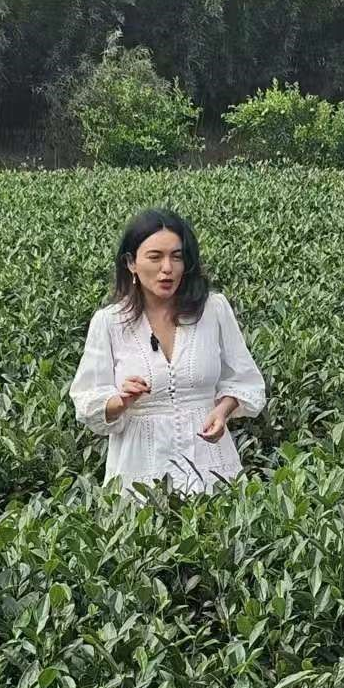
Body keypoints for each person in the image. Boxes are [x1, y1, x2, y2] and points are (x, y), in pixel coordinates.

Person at [68, 209, 266, 495]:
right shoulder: (110, 322)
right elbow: (87, 400)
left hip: (211, 465)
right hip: (138, 469)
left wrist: (222, 411)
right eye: (155, 257)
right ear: (131, 263)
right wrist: (121, 400)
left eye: (176, 256)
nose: (167, 268)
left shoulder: (214, 309)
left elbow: (244, 380)